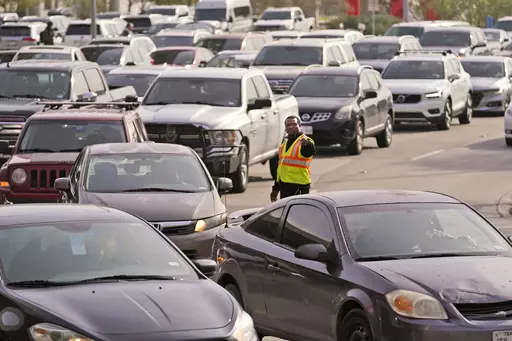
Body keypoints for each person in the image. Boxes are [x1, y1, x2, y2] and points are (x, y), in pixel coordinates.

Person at [270, 116, 316, 202]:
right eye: (288, 125)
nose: (291, 126)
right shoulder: (284, 144)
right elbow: (280, 169)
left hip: (299, 186)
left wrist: (306, 144)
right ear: (285, 128)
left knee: (299, 213)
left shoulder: (305, 140)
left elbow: (310, 151)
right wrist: (275, 189)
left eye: (294, 124)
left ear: (300, 126)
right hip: (285, 186)